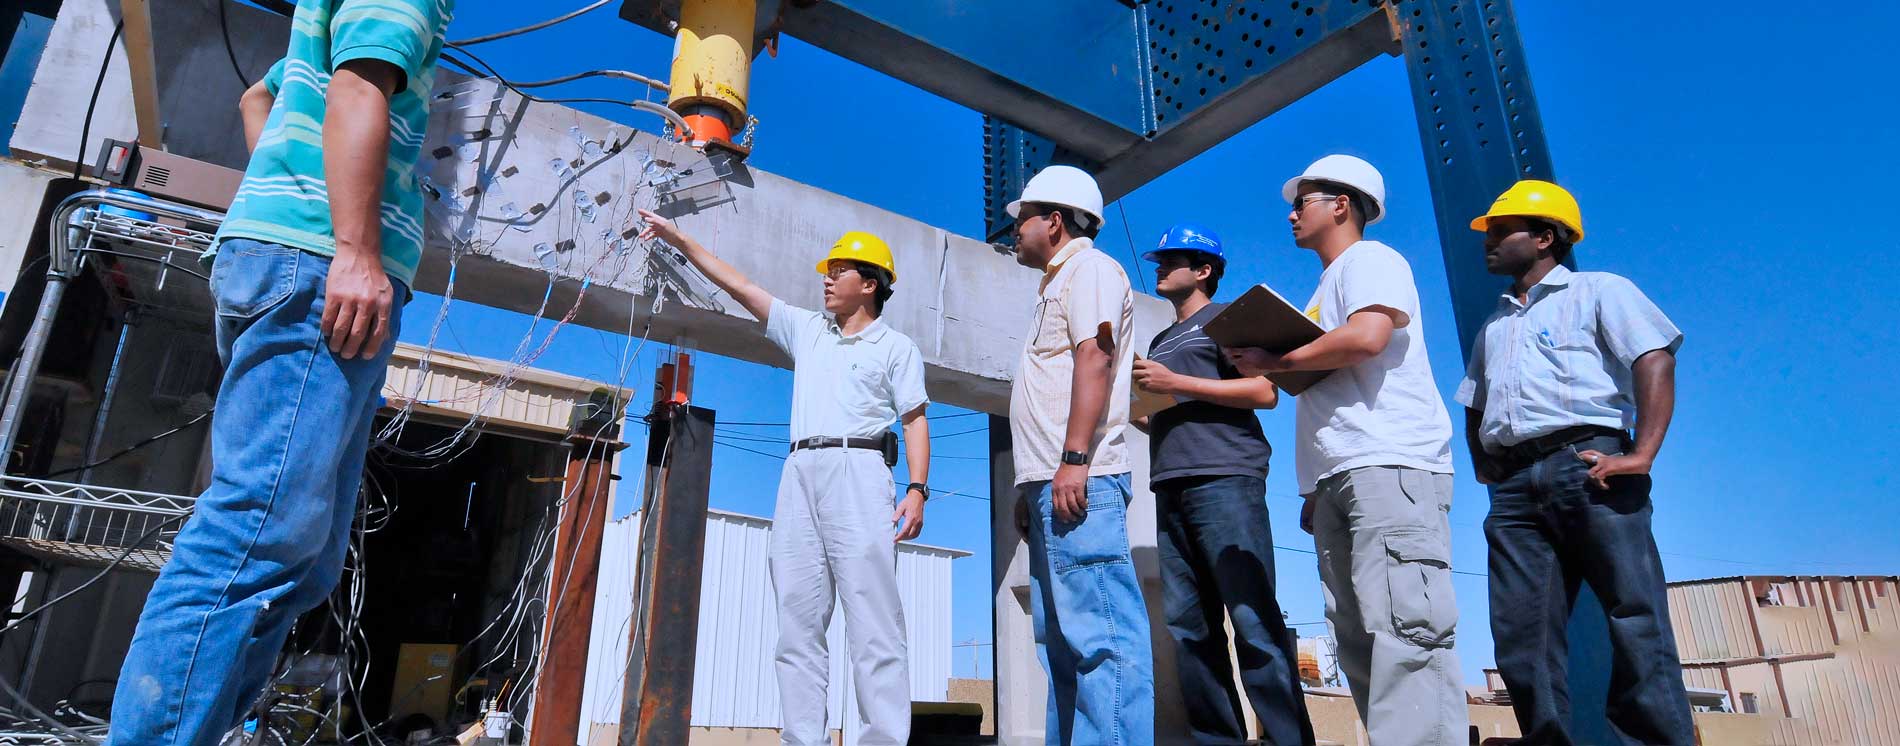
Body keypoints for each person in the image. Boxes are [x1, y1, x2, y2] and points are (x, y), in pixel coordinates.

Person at [109, 1, 453, 742]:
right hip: (321, 265)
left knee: (306, 557)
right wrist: (351, 244)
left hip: (306, 257)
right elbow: (359, 89)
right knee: (259, 532)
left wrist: (294, 187)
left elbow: (256, 97)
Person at [637, 208, 929, 746]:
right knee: (797, 623)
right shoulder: (806, 331)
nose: (826, 277)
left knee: (873, 622)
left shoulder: (896, 348)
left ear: (869, 283)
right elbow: (742, 286)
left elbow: (914, 419)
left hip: (859, 470)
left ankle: (883, 739)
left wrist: (916, 490)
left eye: (837, 270)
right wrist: (681, 239)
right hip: (799, 471)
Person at [1226, 155, 1466, 746]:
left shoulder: (1371, 260)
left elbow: (1368, 337)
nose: (1290, 213)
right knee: (1357, 636)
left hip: (1388, 464)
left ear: (1341, 204)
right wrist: (1314, 488)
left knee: (1405, 632)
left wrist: (1275, 362)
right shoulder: (1325, 288)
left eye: (1302, 201)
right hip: (1341, 477)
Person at [1459, 180, 1694, 744]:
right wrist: (1483, 461)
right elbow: (1475, 399)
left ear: (1545, 237)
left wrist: (1641, 454)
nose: (1487, 241)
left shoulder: (1599, 290)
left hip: (1589, 463)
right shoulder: (1494, 325)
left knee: (1634, 614)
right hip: (1516, 485)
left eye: (1500, 230)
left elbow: (1654, 358)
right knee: (1521, 632)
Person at [1133, 222, 1315, 745]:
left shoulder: (1226, 320)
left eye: (1173, 259)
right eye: (1159, 259)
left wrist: (1174, 384)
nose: (1161, 266)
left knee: (1252, 619)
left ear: (1205, 270)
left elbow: (1264, 391)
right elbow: (1169, 410)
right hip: (1169, 483)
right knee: (1189, 632)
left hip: (1226, 481)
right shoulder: (1161, 339)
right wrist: (1136, 408)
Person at [1006, 165, 1153, 744]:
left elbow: (1096, 358)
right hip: (1052, 484)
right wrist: (1031, 485)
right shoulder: (1056, 285)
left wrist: (1074, 457)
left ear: (1056, 221)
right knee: (1062, 646)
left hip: (1078, 480)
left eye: (1023, 218)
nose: (1014, 228)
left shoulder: (1090, 269)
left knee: (1103, 643)